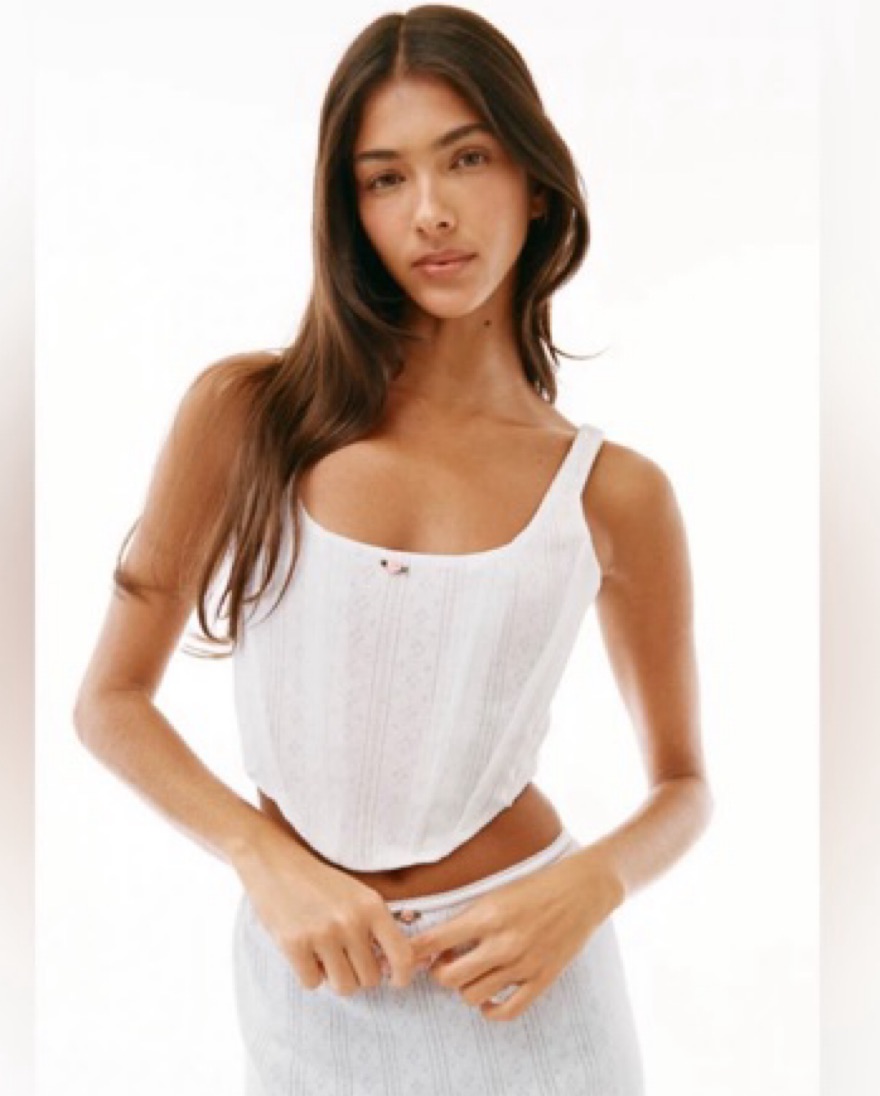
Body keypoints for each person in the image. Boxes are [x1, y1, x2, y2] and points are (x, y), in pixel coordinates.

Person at [73, 5, 713, 1093]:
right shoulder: (249, 417)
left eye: (467, 157)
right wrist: (260, 856)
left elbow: (684, 784)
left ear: (535, 181)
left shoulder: (613, 492)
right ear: (348, 209)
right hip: (310, 985)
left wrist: (591, 885)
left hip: (527, 984)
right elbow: (110, 702)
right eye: (384, 178)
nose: (431, 211)